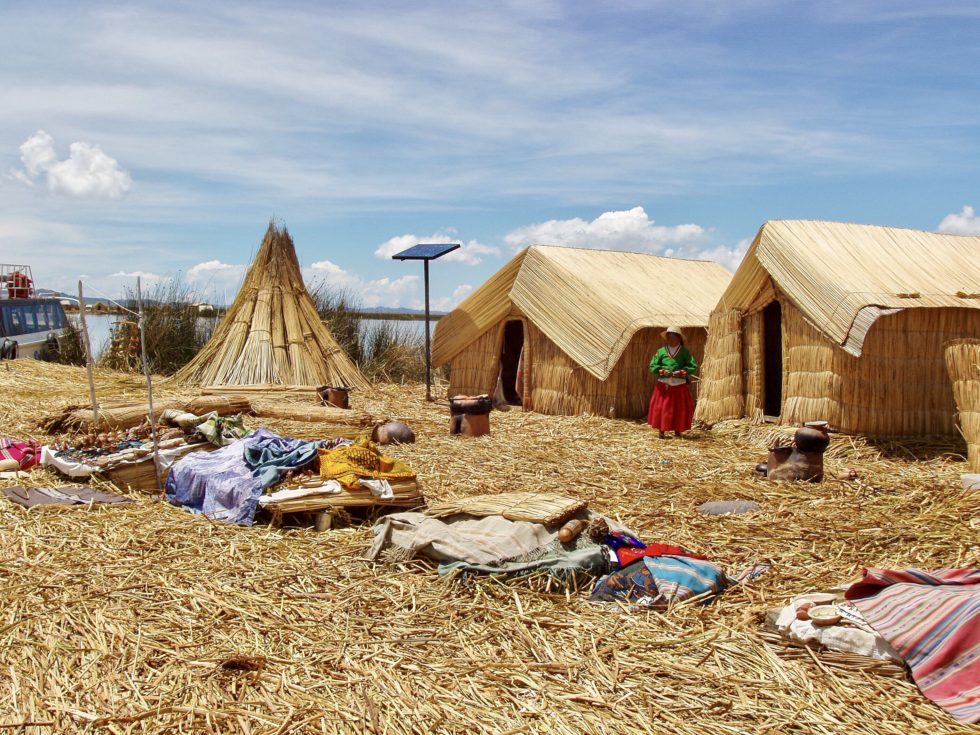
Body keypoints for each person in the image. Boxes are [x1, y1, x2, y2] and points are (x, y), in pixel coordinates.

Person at [647, 326, 697, 439]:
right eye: (669, 337)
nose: (671, 340)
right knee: (662, 408)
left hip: (678, 385)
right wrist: (662, 371)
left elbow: (692, 365)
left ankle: (678, 431)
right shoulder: (661, 351)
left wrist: (682, 372)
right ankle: (661, 431)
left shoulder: (684, 352)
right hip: (664, 385)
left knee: (679, 408)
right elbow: (653, 365)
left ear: (679, 339)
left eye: (674, 337)